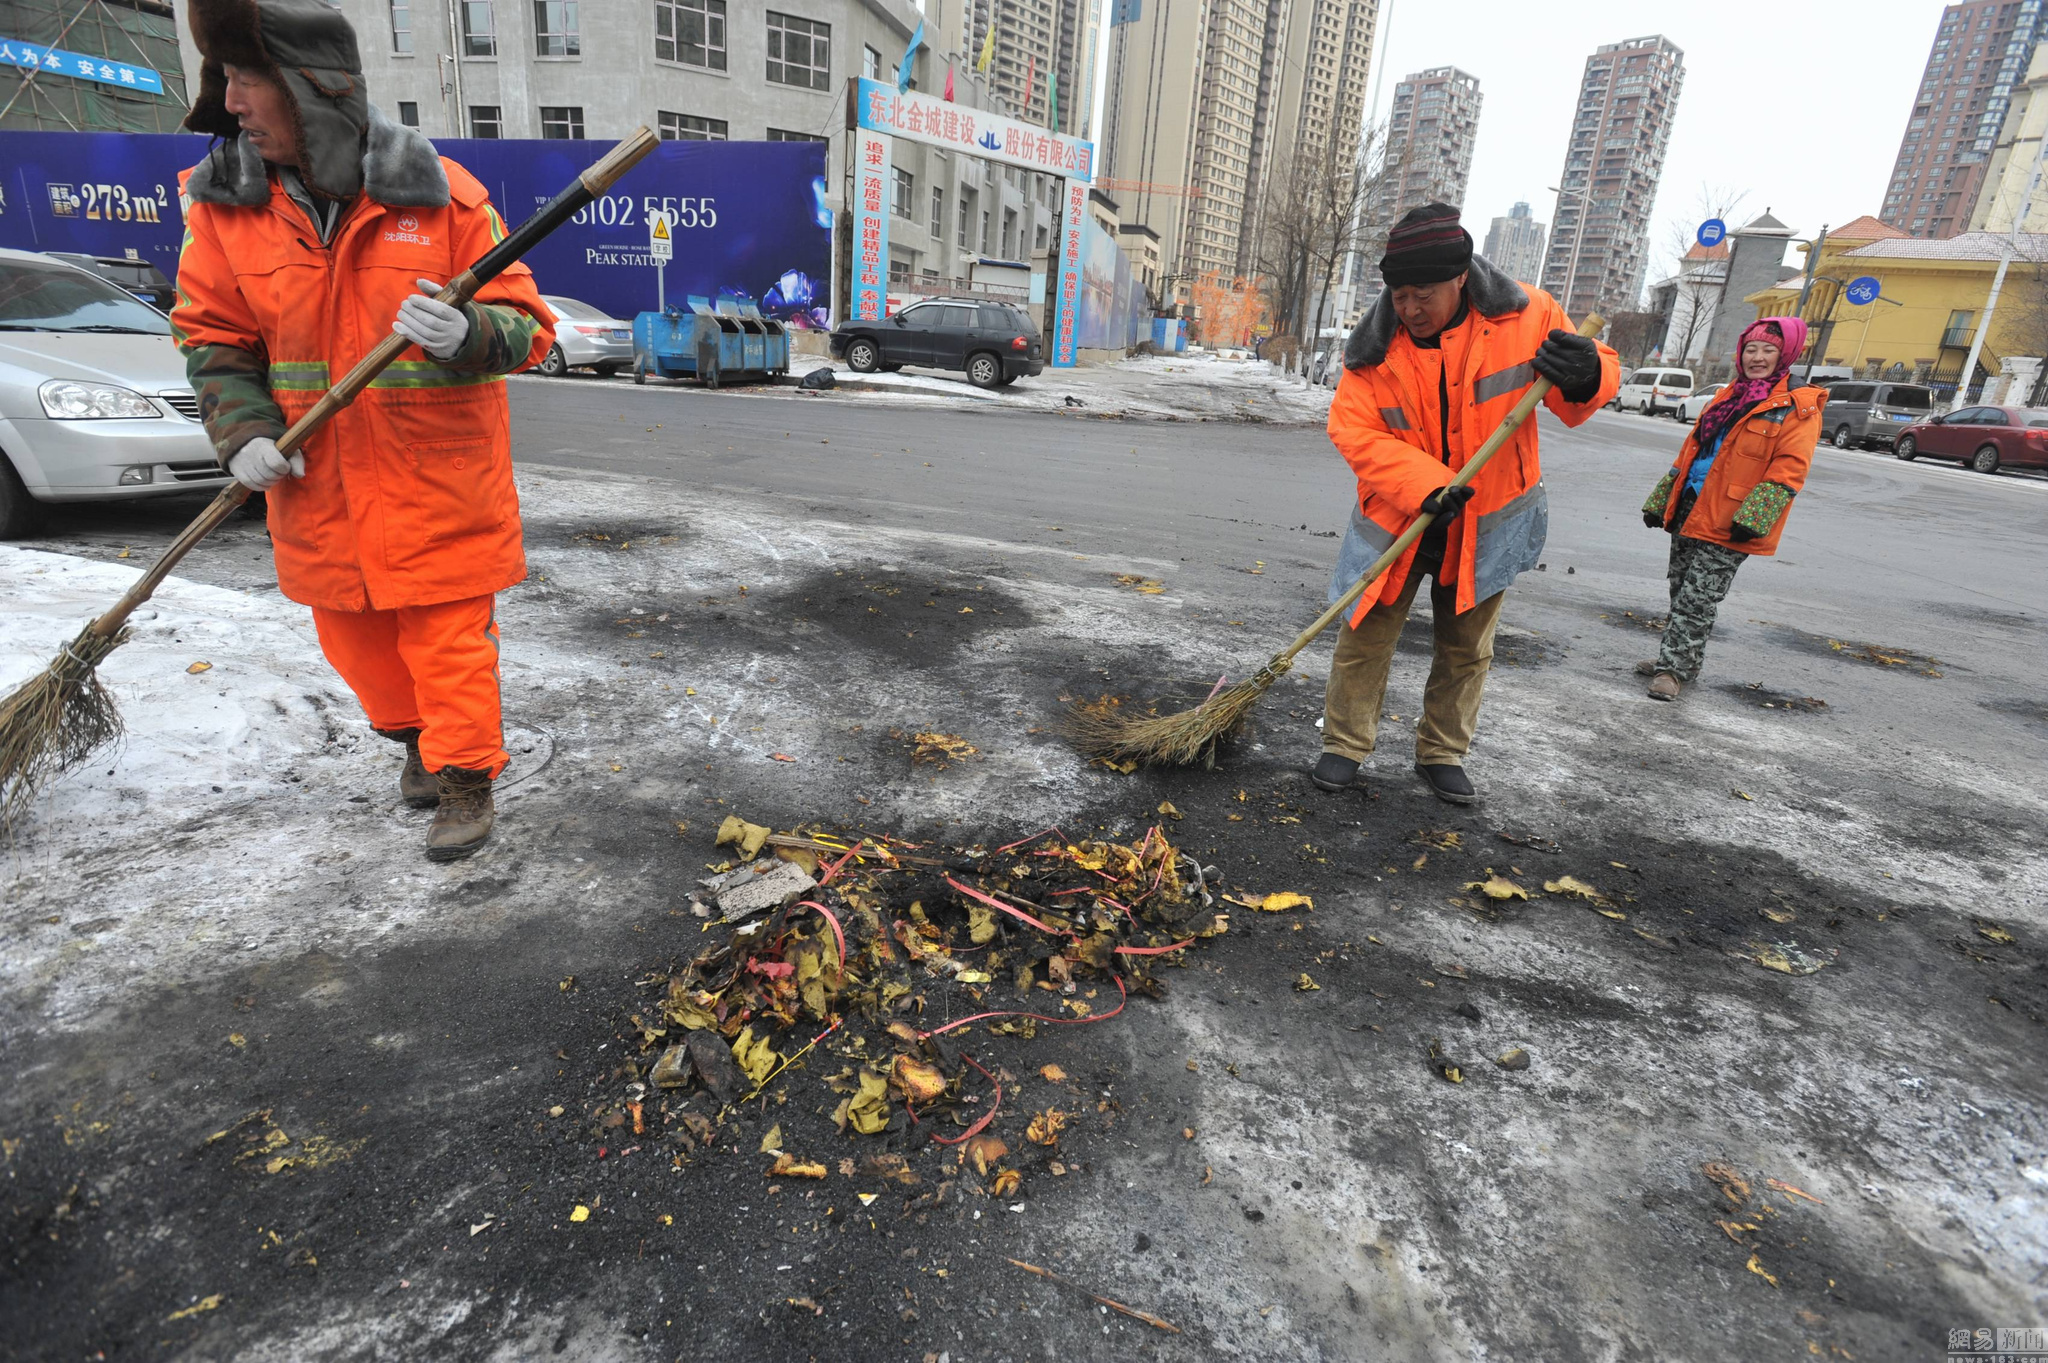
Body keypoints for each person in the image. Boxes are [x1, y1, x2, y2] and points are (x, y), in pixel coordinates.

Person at [170, 0, 555, 859]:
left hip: (439, 482)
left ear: (308, 90)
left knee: (449, 642)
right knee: (357, 642)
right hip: (319, 485)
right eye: (224, 78)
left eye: (245, 79)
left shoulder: (441, 195)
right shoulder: (225, 210)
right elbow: (212, 335)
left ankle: (465, 777)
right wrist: (242, 433)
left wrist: (472, 336)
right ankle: (415, 741)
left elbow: (527, 322)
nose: (229, 102)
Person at [1316, 203, 1620, 804]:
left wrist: (1588, 373)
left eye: (1422, 294)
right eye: (1399, 295)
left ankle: (1441, 753)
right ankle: (1343, 745)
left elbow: (1586, 387)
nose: (1409, 309)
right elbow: (1354, 430)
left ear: (1461, 277)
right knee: (1365, 637)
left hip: (1491, 519)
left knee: (1466, 648)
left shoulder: (1527, 315)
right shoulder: (1372, 348)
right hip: (1400, 516)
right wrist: (1426, 484)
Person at [1639, 318, 1823, 701]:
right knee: (1680, 589)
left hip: (1734, 517)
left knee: (1698, 597)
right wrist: (1663, 499)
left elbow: (1790, 468)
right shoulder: (1727, 395)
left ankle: (1671, 671)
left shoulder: (1797, 408)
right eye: (1751, 349)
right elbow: (1692, 452)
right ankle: (1679, 659)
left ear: (1786, 354)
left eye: (1768, 350)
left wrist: (1755, 518)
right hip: (1692, 502)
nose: (1757, 357)